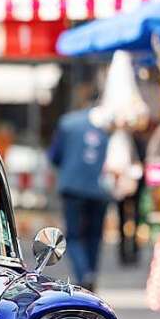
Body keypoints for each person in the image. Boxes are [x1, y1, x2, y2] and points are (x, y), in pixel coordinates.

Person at [48, 106, 112, 290]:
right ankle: (91, 272)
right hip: (100, 187)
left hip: (73, 186)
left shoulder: (68, 123)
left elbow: (55, 155)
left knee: (74, 235)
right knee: (94, 234)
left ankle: (84, 273)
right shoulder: (110, 126)